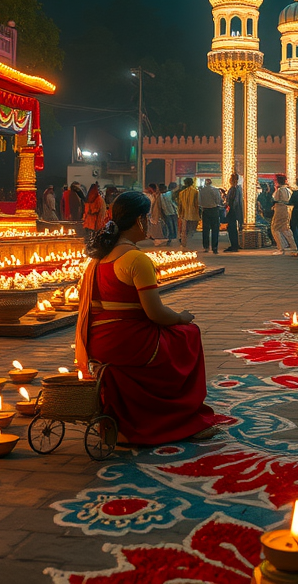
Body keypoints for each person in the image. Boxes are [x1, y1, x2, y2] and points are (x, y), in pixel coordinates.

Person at [74, 190, 217, 444]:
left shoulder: (96, 258)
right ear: (139, 220)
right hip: (129, 342)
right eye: (148, 217)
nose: (152, 222)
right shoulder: (136, 259)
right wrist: (181, 317)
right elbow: (156, 313)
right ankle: (183, 414)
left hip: (98, 341)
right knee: (188, 335)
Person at [270, 174, 293, 254]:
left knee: (275, 228)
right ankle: (293, 245)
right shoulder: (288, 190)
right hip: (287, 210)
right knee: (285, 228)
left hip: (280, 210)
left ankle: (281, 248)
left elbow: (275, 199)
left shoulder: (279, 190)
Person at [198, 178, 221, 254]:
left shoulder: (201, 191)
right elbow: (218, 200)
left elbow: (199, 202)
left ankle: (206, 247)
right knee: (215, 229)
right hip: (214, 210)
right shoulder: (215, 190)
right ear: (211, 183)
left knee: (205, 230)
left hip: (205, 211)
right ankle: (214, 247)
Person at [177, 177, 200, 248]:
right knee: (192, 229)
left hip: (184, 214)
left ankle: (184, 243)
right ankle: (190, 243)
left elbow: (180, 205)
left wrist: (179, 213)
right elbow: (197, 204)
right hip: (193, 214)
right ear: (192, 183)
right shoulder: (195, 192)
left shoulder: (181, 193)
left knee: (184, 230)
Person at [224, 173, 242, 252]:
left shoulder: (233, 189)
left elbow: (233, 201)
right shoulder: (238, 188)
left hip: (232, 211)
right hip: (234, 211)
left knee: (231, 228)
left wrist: (228, 206)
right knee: (233, 228)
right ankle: (235, 244)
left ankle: (234, 245)